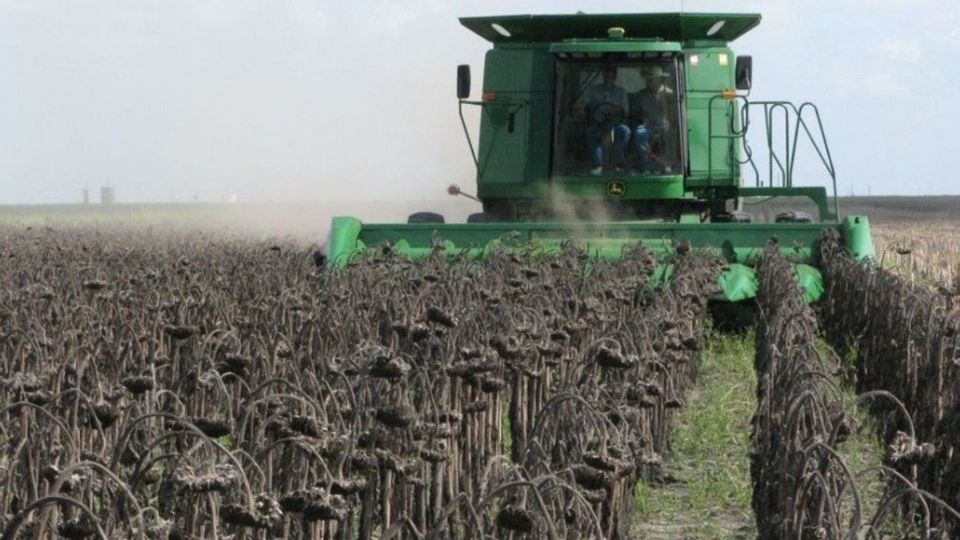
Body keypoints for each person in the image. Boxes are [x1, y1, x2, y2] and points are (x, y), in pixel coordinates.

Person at [584, 65, 630, 175]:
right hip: (598, 123)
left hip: (616, 124)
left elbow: (626, 111)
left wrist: (618, 109)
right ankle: (598, 164)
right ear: (603, 76)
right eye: (606, 75)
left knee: (625, 131)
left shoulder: (621, 92)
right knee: (590, 132)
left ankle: (616, 163)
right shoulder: (593, 90)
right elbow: (584, 106)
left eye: (611, 75)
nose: (608, 78)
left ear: (615, 77)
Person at [630, 66, 675, 173]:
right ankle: (647, 166)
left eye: (651, 79)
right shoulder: (641, 95)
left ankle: (666, 164)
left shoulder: (669, 94)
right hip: (648, 126)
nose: (648, 82)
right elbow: (635, 114)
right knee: (639, 133)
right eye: (647, 80)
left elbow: (673, 114)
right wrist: (642, 119)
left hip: (664, 126)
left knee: (669, 135)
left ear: (659, 80)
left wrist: (668, 124)